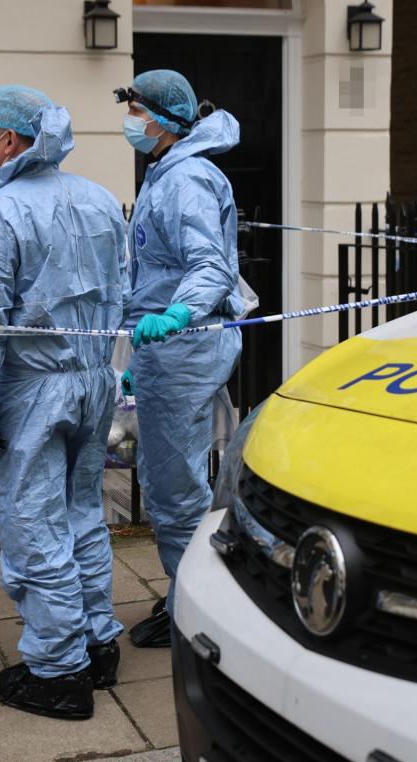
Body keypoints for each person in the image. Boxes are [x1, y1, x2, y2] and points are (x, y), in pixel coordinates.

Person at [0, 85, 127, 720]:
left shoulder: (0, 211)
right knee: (82, 512)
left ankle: (58, 672)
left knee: (35, 524)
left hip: (32, 389)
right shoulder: (102, 199)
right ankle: (98, 639)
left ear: (13, 141)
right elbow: (121, 294)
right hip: (93, 380)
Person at [114, 70, 244, 648]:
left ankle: (193, 609)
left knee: (177, 490)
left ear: (164, 119)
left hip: (182, 346)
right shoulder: (167, 172)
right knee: (172, 482)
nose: (130, 119)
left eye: (135, 108)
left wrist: (176, 315)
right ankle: (186, 596)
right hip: (167, 350)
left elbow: (209, 268)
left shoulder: (185, 178)